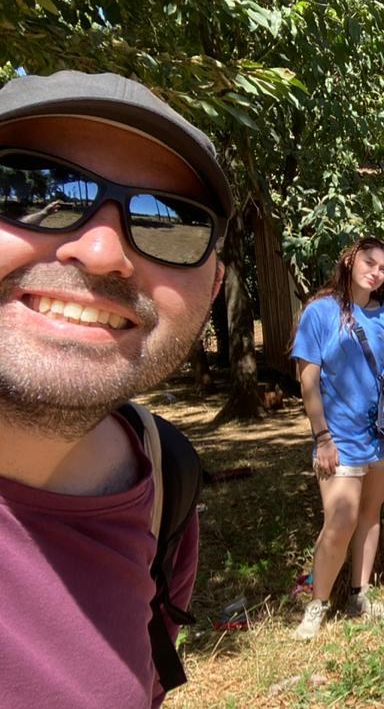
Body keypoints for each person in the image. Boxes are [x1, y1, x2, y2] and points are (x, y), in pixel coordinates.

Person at [0, 70, 228, 705]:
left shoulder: (164, 478)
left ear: (212, 288)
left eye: (170, 220)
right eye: (27, 186)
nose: (102, 251)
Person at [291, 237, 384, 640]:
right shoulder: (320, 312)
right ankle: (318, 602)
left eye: (383, 269)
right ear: (350, 260)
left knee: (370, 514)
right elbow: (308, 380)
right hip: (340, 438)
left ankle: (359, 594)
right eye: (369, 263)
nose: (376, 273)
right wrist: (322, 437)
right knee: (341, 519)